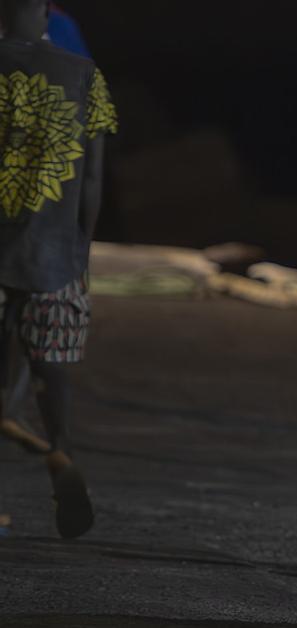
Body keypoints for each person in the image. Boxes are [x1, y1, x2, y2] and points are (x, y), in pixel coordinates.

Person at [0, 0, 117, 540]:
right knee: (50, 368)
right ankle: (62, 449)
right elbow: (92, 178)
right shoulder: (84, 75)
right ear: (47, 18)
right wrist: (80, 248)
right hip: (53, 252)